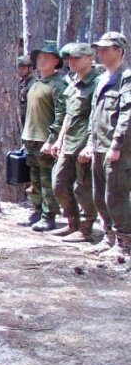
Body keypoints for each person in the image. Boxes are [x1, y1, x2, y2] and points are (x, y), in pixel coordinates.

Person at [79, 31, 131, 259]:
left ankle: (124, 243)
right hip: (99, 147)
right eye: (98, 49)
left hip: (117, 150)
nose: (100, 53)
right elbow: (94, 115)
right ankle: (109, 237)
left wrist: (117, 145)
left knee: (116, 195)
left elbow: (126, 115)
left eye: (105, 49)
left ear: (118, 51)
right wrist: (90, 143)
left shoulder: (126, 78)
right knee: (99, 195)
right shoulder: (101, 79)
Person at [49, 43, 103, 241]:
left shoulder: (97, 82)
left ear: (90, 58)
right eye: (69, 59)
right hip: (69, 142)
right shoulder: (72, 81)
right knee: (59, 184)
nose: (71, 62)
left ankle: (86, 228)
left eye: (76, 58)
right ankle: (72, 223)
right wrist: (59, 140)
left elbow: (95, 119)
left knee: (83, 188)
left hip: (84, 143)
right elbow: (68, 115)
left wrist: (89, 145)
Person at [19, 41, 67, 231]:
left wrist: (53, 139)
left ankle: (49, 216)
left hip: (46, 140)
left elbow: (62, 114)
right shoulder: (36, 84)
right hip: (31, 138)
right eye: (39, 57)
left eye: (47, 57)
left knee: (47, 179)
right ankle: (37, 211)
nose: (42, 60)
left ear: (56, 61)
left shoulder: (59, 84)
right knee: (34, 179)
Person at [17, 54, 35, 131]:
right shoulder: (19, 81)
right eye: (19, 68)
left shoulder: (34, 83)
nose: (20, 70)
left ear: (30, 68)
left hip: (29, 119)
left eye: (23, 68)